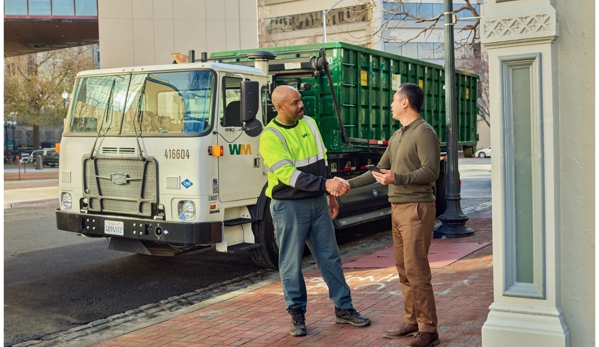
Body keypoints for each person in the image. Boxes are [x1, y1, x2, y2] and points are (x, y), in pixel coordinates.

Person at [259, 85, 371, 337]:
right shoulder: (270, 136)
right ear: (279, 108)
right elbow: (288, 174)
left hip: (318, 202)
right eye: (295, 103)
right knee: (290, 262)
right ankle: (296, 313)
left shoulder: (309, 123)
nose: (301, 105)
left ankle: (344, 308)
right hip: (289, 206)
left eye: (300, 100)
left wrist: (329, 193)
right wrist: (326, 185)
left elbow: (322, 160)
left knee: (330, 257)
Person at [342, 83, 440, 347]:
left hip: (417, 208)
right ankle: (413, 320)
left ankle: (429, 329)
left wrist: (399, 177)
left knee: (417, 270)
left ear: (406, 103)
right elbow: (378, 170)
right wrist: (347, 184)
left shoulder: (424, 132)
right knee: (404, 269)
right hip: (397, 209)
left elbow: (432, 172)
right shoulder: (398, 135)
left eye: (395, 99)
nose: (391, 104)